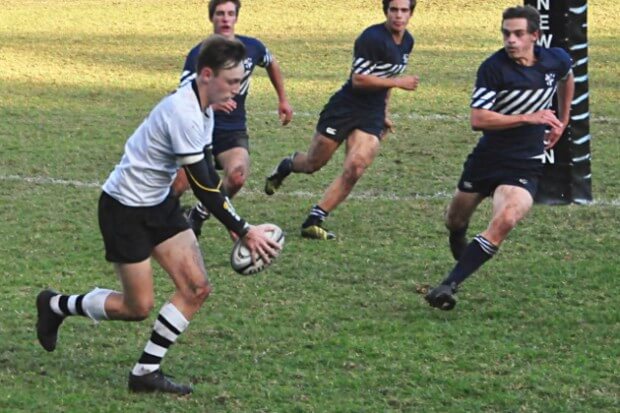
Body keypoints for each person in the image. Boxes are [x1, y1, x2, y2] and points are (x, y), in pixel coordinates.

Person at [35, 35, 281, 394]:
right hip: (124, 210)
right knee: (137, 307)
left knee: (196, 288)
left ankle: (145, 373)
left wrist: (232, 222)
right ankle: (55, 305)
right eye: (231, 82)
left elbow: (208, 171)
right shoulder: (181, 111)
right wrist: (244, 228)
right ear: (207, 75)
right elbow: (204, 185)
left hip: (158, 205)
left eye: (241, 82)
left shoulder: (206, 110)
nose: (237, 90)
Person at [425, 5, 575, 311]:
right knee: (455, 219)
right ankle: (459, 239)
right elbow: (478, 119)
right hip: (488, 158)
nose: (511, 40)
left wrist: (564, 117)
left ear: (535, 36)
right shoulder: (493, 68)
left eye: (519, 34)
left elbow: (567, 77)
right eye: (506, 33)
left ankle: (448, 285)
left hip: (524, 162)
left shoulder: (554, 59)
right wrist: (528, 117)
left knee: (506, 218)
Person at [263, 0, 420, 240]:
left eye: (404, 10)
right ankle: (288, 165)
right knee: (313, 163)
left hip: (372, 112)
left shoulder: (407, 41)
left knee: (355, 167)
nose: (398, 15)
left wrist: (385, 111)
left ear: (411, 13)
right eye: (394, 10)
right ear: (386, 11)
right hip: (345, 107)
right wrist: (399, 83)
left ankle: (314, 219)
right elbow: (359, 79)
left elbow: (386, 77)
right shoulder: (372, 38)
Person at [174, 0, 293, 236]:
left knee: (237, 175)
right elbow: (181, 95)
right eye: (220, 14)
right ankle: (161, 222)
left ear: (237, 17)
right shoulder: (199, 54)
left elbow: (271, 62)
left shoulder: (252, 48)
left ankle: (198, 214)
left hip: (231, 130)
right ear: (212, 18)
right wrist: (212, 103)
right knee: (176, 187)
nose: (226, 18)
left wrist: (283, 99)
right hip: (198, 129)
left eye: (230, 13)